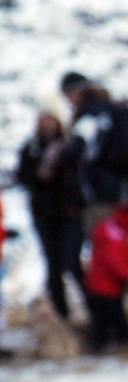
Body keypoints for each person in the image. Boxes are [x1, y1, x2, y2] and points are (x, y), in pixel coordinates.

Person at [15, 98, 86, 319]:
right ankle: (63, 316)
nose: (47, 124)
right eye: (43, 119)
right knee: (53, 266)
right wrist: (38, 175)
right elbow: (21, 176)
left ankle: (97, 311)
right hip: (44, 214)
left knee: (72, 263)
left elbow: (81, 176)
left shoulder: (71, 145)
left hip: (70, 212)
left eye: (51, 119)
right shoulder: (31, 148)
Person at [59, 72, 128, 233]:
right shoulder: (111, 110)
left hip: (99, 195)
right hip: (122, 192)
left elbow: (76, 153)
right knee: (116, 245)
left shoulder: (92, 115)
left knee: (103, 245)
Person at [84, 203, 128, 352]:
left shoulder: (110, 233)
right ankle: (104, 345)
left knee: (102, 321)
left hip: (101, 287)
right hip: (106, 290)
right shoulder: (114, 240)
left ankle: (101, 344)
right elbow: (116, 264)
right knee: (110, 322)